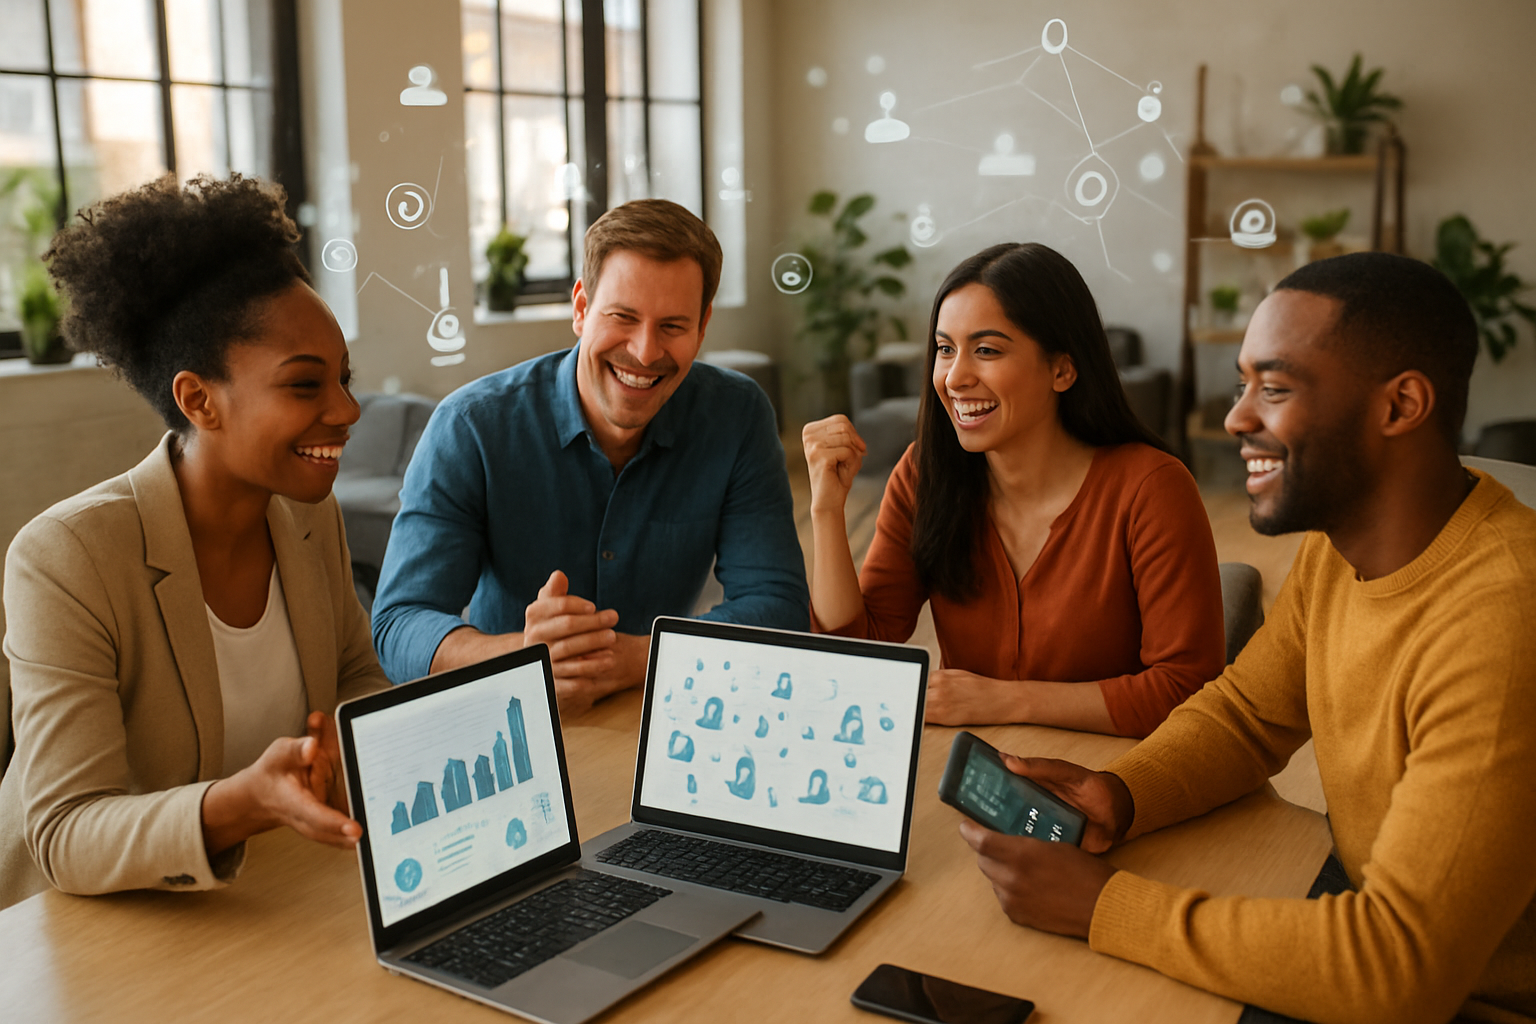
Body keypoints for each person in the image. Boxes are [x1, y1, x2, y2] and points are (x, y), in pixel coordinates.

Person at [960, 253, 1536, 1023]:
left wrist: (1108, 908)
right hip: (1372, 921)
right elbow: (1246, 715)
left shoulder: (1504, 620)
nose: (1236, 417)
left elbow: (1400, 968)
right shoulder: (1342, 546)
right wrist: (1124, 793)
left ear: (1399, 406)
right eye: (1243, 385)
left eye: (1276, 387)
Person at [0, 175, 388, 911]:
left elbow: (354, 676)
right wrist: (243, 803)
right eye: (306, 386)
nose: (347, 409)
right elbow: (64, 829)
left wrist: (345, 744)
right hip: (79, 933)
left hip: (261, 900)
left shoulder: (308, 516)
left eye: (343, 377)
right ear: (198, 399)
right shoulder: (66, 558)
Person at [372, 199, 808, 713]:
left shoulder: (736, 415)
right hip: (505, 711)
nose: (645, 352)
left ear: (703, 325)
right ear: (581, 309)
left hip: (659, 709)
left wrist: (636, 660)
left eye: (672, 326)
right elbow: (400, 623)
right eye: (623, 317)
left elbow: (778, 609)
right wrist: (522, 657)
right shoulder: (471, 425)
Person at [804, 243, 1223, 738]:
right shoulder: (925, 473)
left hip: (1112, 774)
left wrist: (1004, 699)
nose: (955, 377)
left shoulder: (1152, 489)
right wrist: (827, 512)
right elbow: (861, 653)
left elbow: (1185, 691)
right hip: (972, 770)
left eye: (987, 350)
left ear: (1062, 369)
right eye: (944, 349)